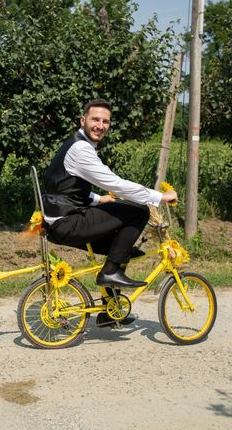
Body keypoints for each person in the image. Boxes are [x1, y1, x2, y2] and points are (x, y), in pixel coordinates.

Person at [42, 99, 177, 324]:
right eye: (95, 119)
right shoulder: (81, 149)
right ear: (83, 120)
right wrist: (159, 197)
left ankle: (109, 311)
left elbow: (65, 185)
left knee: (121, 246)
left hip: (60, 220)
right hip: (67, 222)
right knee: (139, 211)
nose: (100, 125)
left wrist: (98, 199)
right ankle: (110, 271)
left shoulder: (77, 144)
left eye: (106, 121)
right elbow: (115, 184)